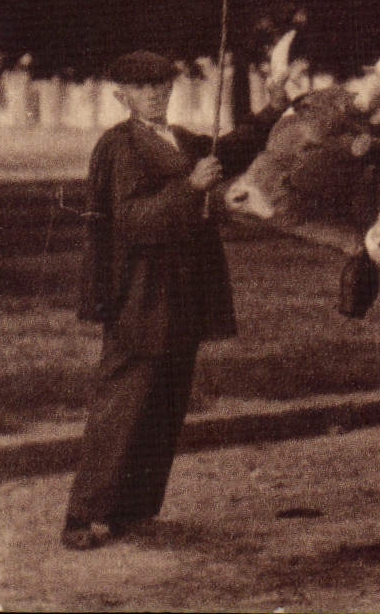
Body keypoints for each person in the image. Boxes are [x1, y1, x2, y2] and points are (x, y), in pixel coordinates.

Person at [61, 50, 287, 551]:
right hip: (139, 293)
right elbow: (134, 222)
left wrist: (272, 108)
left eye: (163, 86)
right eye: (144, 89)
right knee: (122, 402)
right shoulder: (119, 146)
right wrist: (190, 188)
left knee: (165, 401)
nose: (157, 95)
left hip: (184, 292)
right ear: (122, 96)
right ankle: (84, 517)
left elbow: (228, 151)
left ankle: (136, 509)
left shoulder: (180, 138)